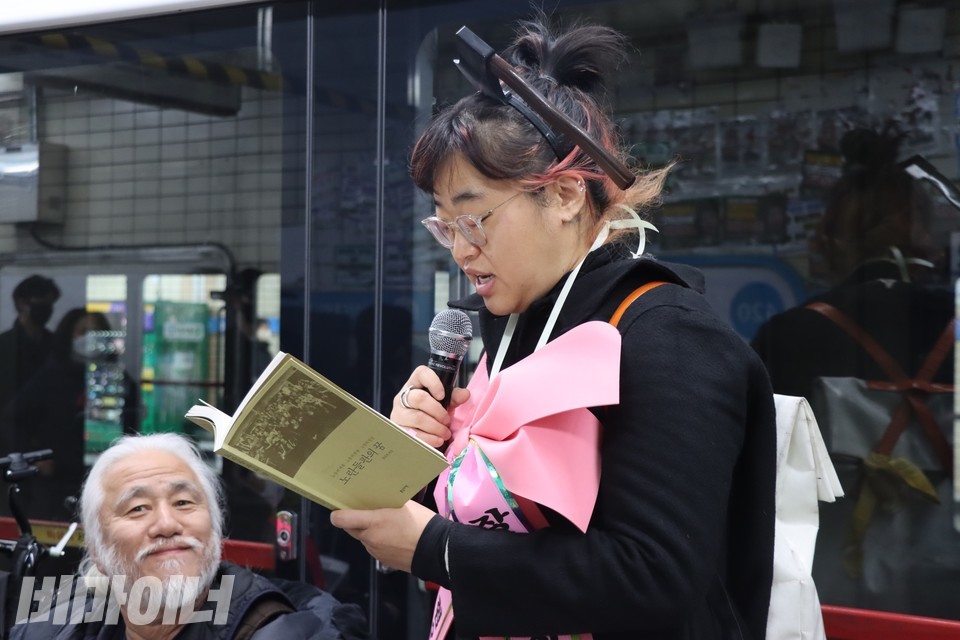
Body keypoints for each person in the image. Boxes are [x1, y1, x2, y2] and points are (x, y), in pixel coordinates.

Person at [330, 17, 777, 640]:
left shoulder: (667, 339)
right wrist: (421, 462)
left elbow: (655, 580)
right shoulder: (503, 336)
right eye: (443, 226)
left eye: (474, 219)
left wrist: (435, 548)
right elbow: (499, 525)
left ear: (566, 194)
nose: (459, 251)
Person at [751, 125, 957, 619]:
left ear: (834, 233)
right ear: (925, 230)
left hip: (831, 593)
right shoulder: (953, 320)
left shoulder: (790, 335)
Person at [11, 432, 369, 639]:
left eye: (184, 502)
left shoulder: (284, 629)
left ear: (214, 529)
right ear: (97, 548)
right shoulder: (46, 631)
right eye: (138, 508)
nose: (166, 524)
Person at [0, 275, 61, 438]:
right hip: (10, 434)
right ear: (22, 304)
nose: (47, 309)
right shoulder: (5, 345)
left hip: (50, 431)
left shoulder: (57, 345)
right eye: (41, 302)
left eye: (50, 304)